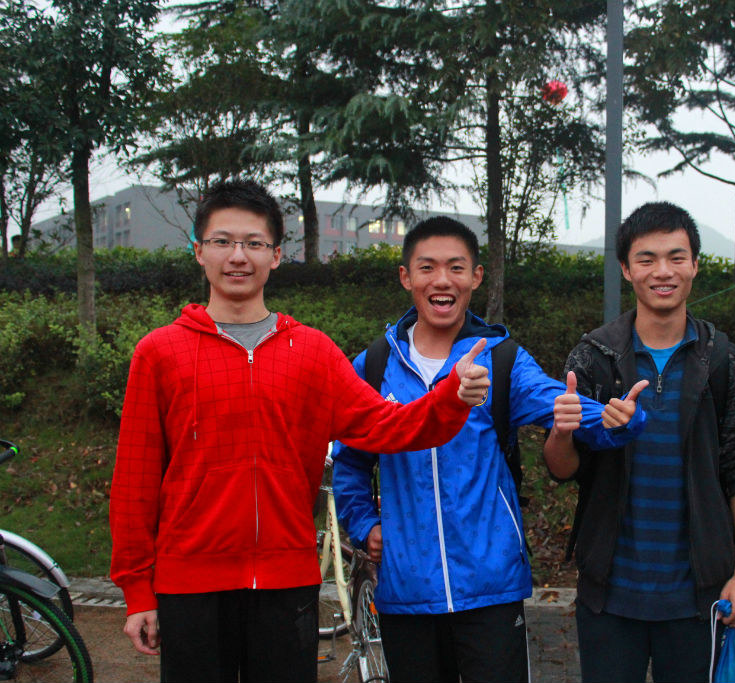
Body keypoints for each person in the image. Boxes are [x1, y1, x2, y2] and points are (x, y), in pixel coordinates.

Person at [108, 181, 490, 683]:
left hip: (286, 584)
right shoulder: (160, 353)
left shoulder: (310, 352)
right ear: (199, 251)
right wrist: (138, 591)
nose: (238, 256)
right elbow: (134, 482)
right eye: (223, 241)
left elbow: (386, 426)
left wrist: (450, 396)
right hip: (189, 585)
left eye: (254, 243)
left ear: (275, 256)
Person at [332, 216, 648, 683]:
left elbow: (559, 405)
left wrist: (615, 419)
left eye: (456, 267)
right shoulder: (375, 365)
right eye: (427, 268)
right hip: (406, 588)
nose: (442, 280)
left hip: (490, 586)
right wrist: (365, 525)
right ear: (406, 277)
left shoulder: (502, 360)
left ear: (476, 277)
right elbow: (350, 458)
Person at [543, 201, 735, 683]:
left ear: (695, 265)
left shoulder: (723, 360)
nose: (662, 271)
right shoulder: (595, 356)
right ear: (627, 269)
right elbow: (562, 468)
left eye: (676, 257)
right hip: (609, 593)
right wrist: (562, 431)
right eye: (646, 259)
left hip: (700, 595)